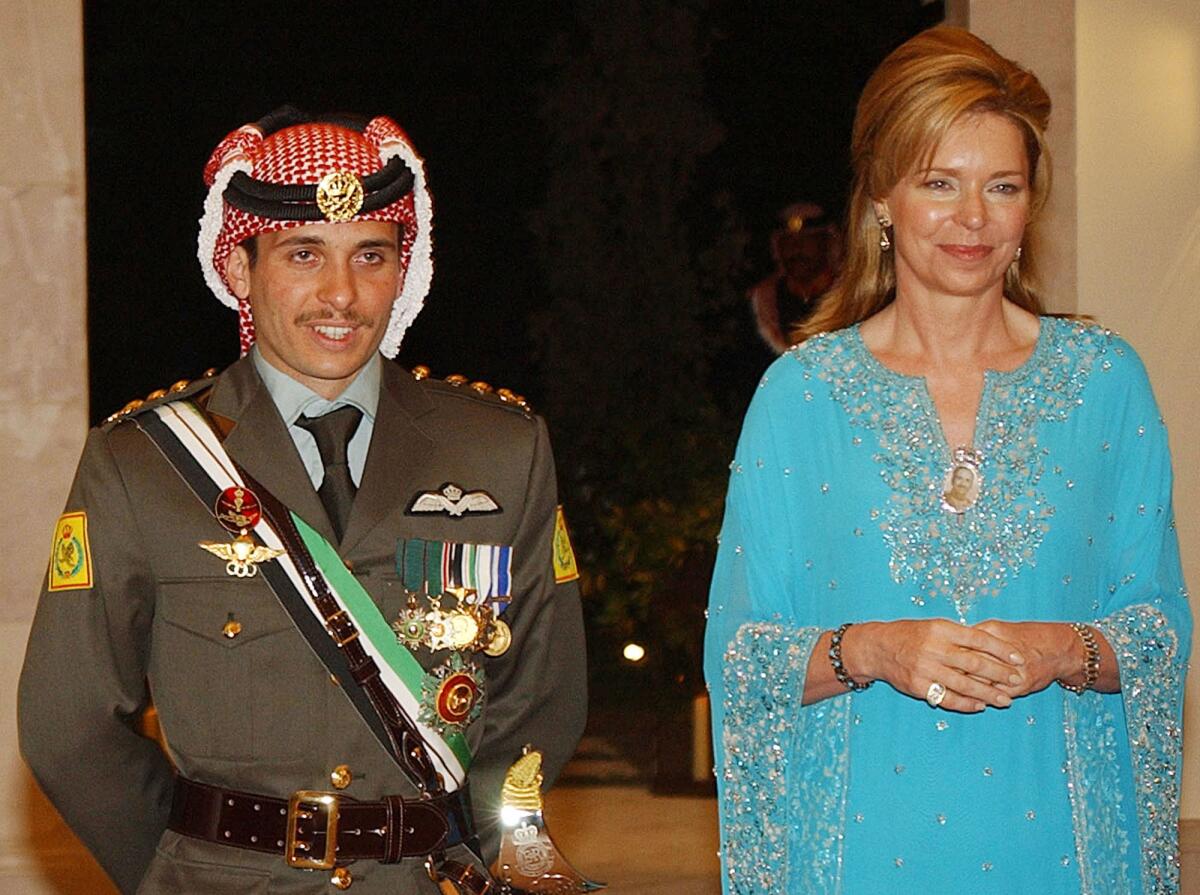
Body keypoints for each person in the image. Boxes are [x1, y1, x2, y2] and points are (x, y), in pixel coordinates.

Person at [19, 107, 587, 894]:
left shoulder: (502, 448)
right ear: (242, 269)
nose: (342, 294)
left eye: (372, 256)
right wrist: (181, 863)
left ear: (404, 268)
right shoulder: (141, 463)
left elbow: (542, 699)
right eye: (303, 254)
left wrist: (469, 847)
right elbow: (67, 725)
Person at [704, 27, 1191, 894]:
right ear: (883, 199)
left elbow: (1159, 632)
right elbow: (740, 655)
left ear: (1028, 206)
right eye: (940, 183)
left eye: (1001, 187)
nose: (973, 218)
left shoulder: (1104, 382)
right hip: (855, 857)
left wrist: (1064, 648)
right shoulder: (800, 395)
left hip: (1065, 857)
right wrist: (874, 649)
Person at [747, 202, 840, 353]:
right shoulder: (763, 301)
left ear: (827, 242)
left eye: (807, 240)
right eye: (788, 241)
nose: (796, 249)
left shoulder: (848, 297)